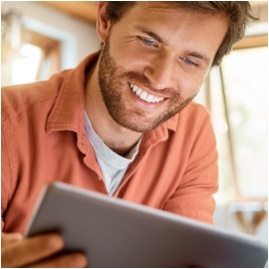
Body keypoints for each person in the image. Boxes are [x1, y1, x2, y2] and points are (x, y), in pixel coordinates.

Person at [1, 1, 256, 268]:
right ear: (105, 20)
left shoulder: (193, 131)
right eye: (148, 41)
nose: (160, 79)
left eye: (190, 60)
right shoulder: (7, 121)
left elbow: (189, 260)